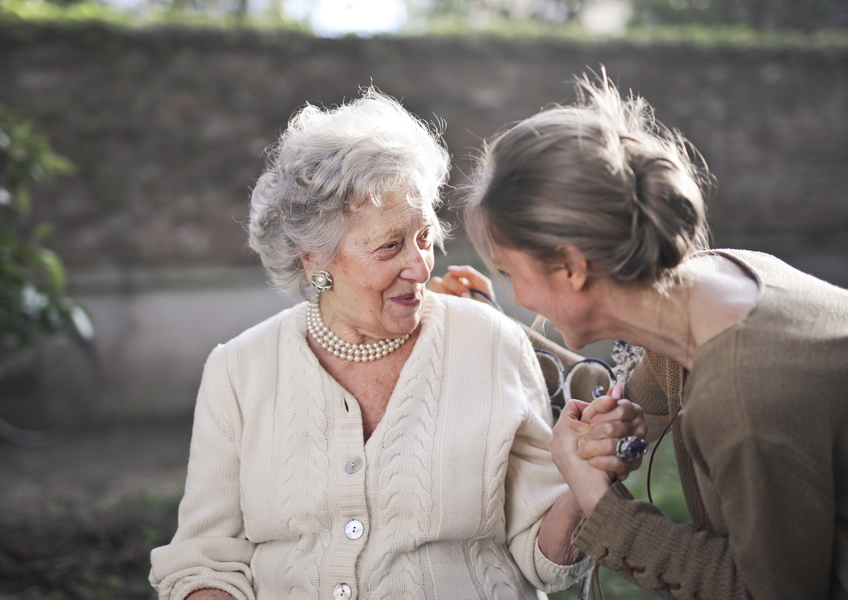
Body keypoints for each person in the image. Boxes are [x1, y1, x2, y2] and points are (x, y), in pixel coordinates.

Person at [148, 87, 646, 600]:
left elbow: (546, 563)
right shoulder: (239, 369)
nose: (420, 265)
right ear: (313, 258)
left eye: (425, 237)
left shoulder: (488, 342)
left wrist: (584, 479)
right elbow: (204, 561)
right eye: (390, 246)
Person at [455, 70, 848, 599]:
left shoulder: (743, 401)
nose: (518, 296)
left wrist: (601, 505)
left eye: (508, 273)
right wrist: (485, 322)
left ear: (571, 268)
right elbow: (617, 392)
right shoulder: (719, 282)